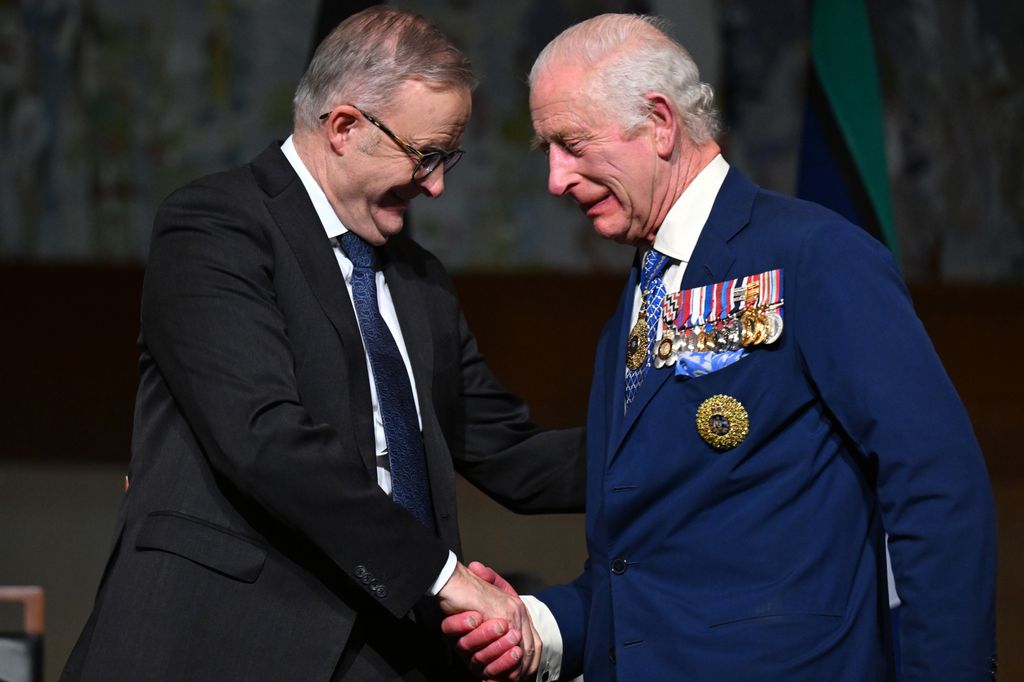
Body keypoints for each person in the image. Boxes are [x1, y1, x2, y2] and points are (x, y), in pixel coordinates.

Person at [445, 13, 997, 682]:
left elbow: (937, 488)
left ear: (659, 122)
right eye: (547, 150)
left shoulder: (815, 256)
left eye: (573, 143)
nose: (557, 179)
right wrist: (543, 626)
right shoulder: (638, 300)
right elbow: (651, 560)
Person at [61, 7, 584, 681]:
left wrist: (682, 445)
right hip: (221, 646)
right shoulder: (216, 227)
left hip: (388, 654)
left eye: (447, 157)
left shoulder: (419, 279)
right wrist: (444, 575)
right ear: (344, 127)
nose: (436, 184)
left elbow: (509, 451)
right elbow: (264, 438)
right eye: (425, 156)